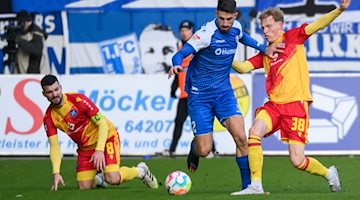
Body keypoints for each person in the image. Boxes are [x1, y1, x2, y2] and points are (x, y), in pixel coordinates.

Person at [230, 0, 351, 195]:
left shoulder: (293, 37)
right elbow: (244, 67)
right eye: (263, 28)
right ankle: (256, 185)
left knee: (297, 160)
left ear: (280, 25)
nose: (266, 31)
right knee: (254, 131)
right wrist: (223, 56)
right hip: (274, 106)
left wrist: (339, 10)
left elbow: (318, 24)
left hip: (295, 105)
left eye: (269, 26)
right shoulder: (266, 53)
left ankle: (329, 173)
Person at [168, 0, 284, 191]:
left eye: (229, 19)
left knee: (241, 137)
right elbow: (183, 52)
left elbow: (245, 38)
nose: (225, 23)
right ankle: (194, 148)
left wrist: (265, 48)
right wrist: (176, 63)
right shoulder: (206, 34)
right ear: (216, 14)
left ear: (235, 17)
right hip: (200, 96)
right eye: (221, 18)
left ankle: (249, 187)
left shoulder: (236, 28)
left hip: (223, 93)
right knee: (204, 150)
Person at [41, 75, 158, 191]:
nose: (55, 94)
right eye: (50, 92)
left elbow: (102, 123)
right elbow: (54, 146)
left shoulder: (78, 100)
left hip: (106, 138)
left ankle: (141, 171)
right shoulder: (49, 117)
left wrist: (99, 150)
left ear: (61, 88)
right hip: (85, 148)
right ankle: (100, 180)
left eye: (56, 89)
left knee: (112, 178)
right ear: (44, 94)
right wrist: (56, 173)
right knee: (84, 187)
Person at [162, 20, 219, 158]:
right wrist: (173, 88)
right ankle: (172, 150)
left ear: (192, 32)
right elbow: (179, 73)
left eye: (187, 30)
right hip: (184, 95)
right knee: (179, 122)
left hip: (198, 94)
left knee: (204, 122)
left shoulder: (198, 48)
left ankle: (212, 150)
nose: (184, 33)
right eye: (182, 30)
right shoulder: (180, 51)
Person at [14, 10, 50, 74]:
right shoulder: (19, 32)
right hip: (23, 71)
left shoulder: (36, 33)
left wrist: (19, 40)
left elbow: (36, 50)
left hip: (36, 72)